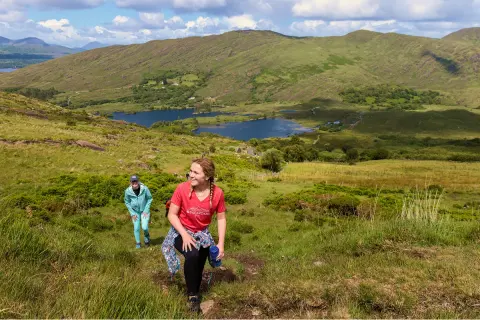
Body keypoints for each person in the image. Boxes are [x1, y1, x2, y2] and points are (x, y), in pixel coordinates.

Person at [162, 158, 226, 313]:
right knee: (192, 254)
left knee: (199, 264)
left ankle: (194, 290)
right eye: (190, 171)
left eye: (195, 172)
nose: (190, 175)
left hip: (202, 234)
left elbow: (221, 218)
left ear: (207, 176)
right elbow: (172, 215)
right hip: (180, 231)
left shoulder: (217, 193)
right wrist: (184, 234)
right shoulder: (182, 189)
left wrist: (220, 244)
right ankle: (192, 297)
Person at [124, 175, 153, 249]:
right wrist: (132, 213)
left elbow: (150, 199)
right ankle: (138, 243)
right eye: (133, 181)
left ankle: (147, 237)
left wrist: (146, 210)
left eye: (136, 181)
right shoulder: (127, 191)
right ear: (130, 182)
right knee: (136, 228)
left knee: (144, 227)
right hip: (135, 212)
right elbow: (127, 202)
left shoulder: (145, 189)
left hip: (144, 211)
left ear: (138, 181)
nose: (134, 183)